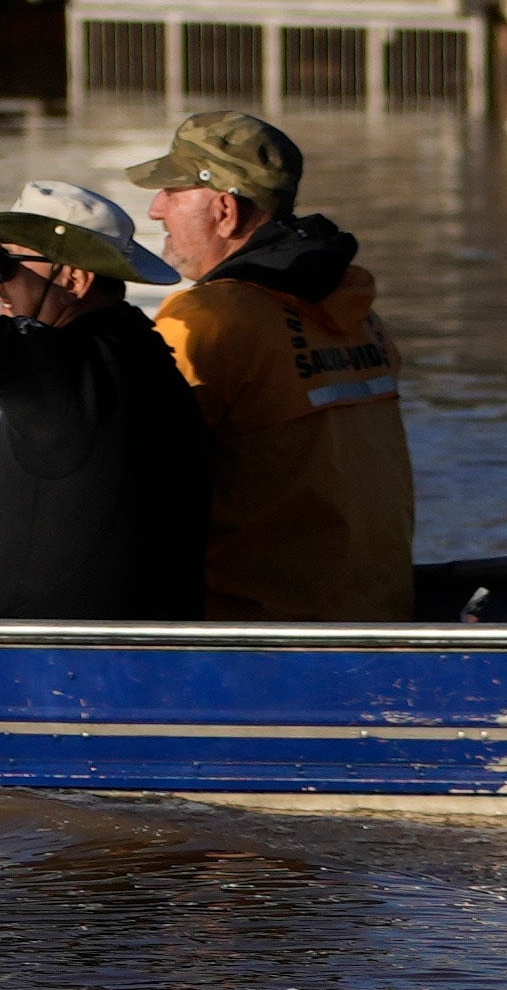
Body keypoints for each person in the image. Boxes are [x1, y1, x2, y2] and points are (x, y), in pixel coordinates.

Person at [0, 178, 206, 622]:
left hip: (58, 656)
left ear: (75, 278)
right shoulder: (137, 353)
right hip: (115, 637)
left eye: (5, 263)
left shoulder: (66, 365)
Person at [130, 107, 413, 622]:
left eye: (171, 192)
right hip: (379, 607)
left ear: (224, 212)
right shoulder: (355, 311)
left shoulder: (212, 319)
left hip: (263, 622)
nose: (154, 210)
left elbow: (114, 470)